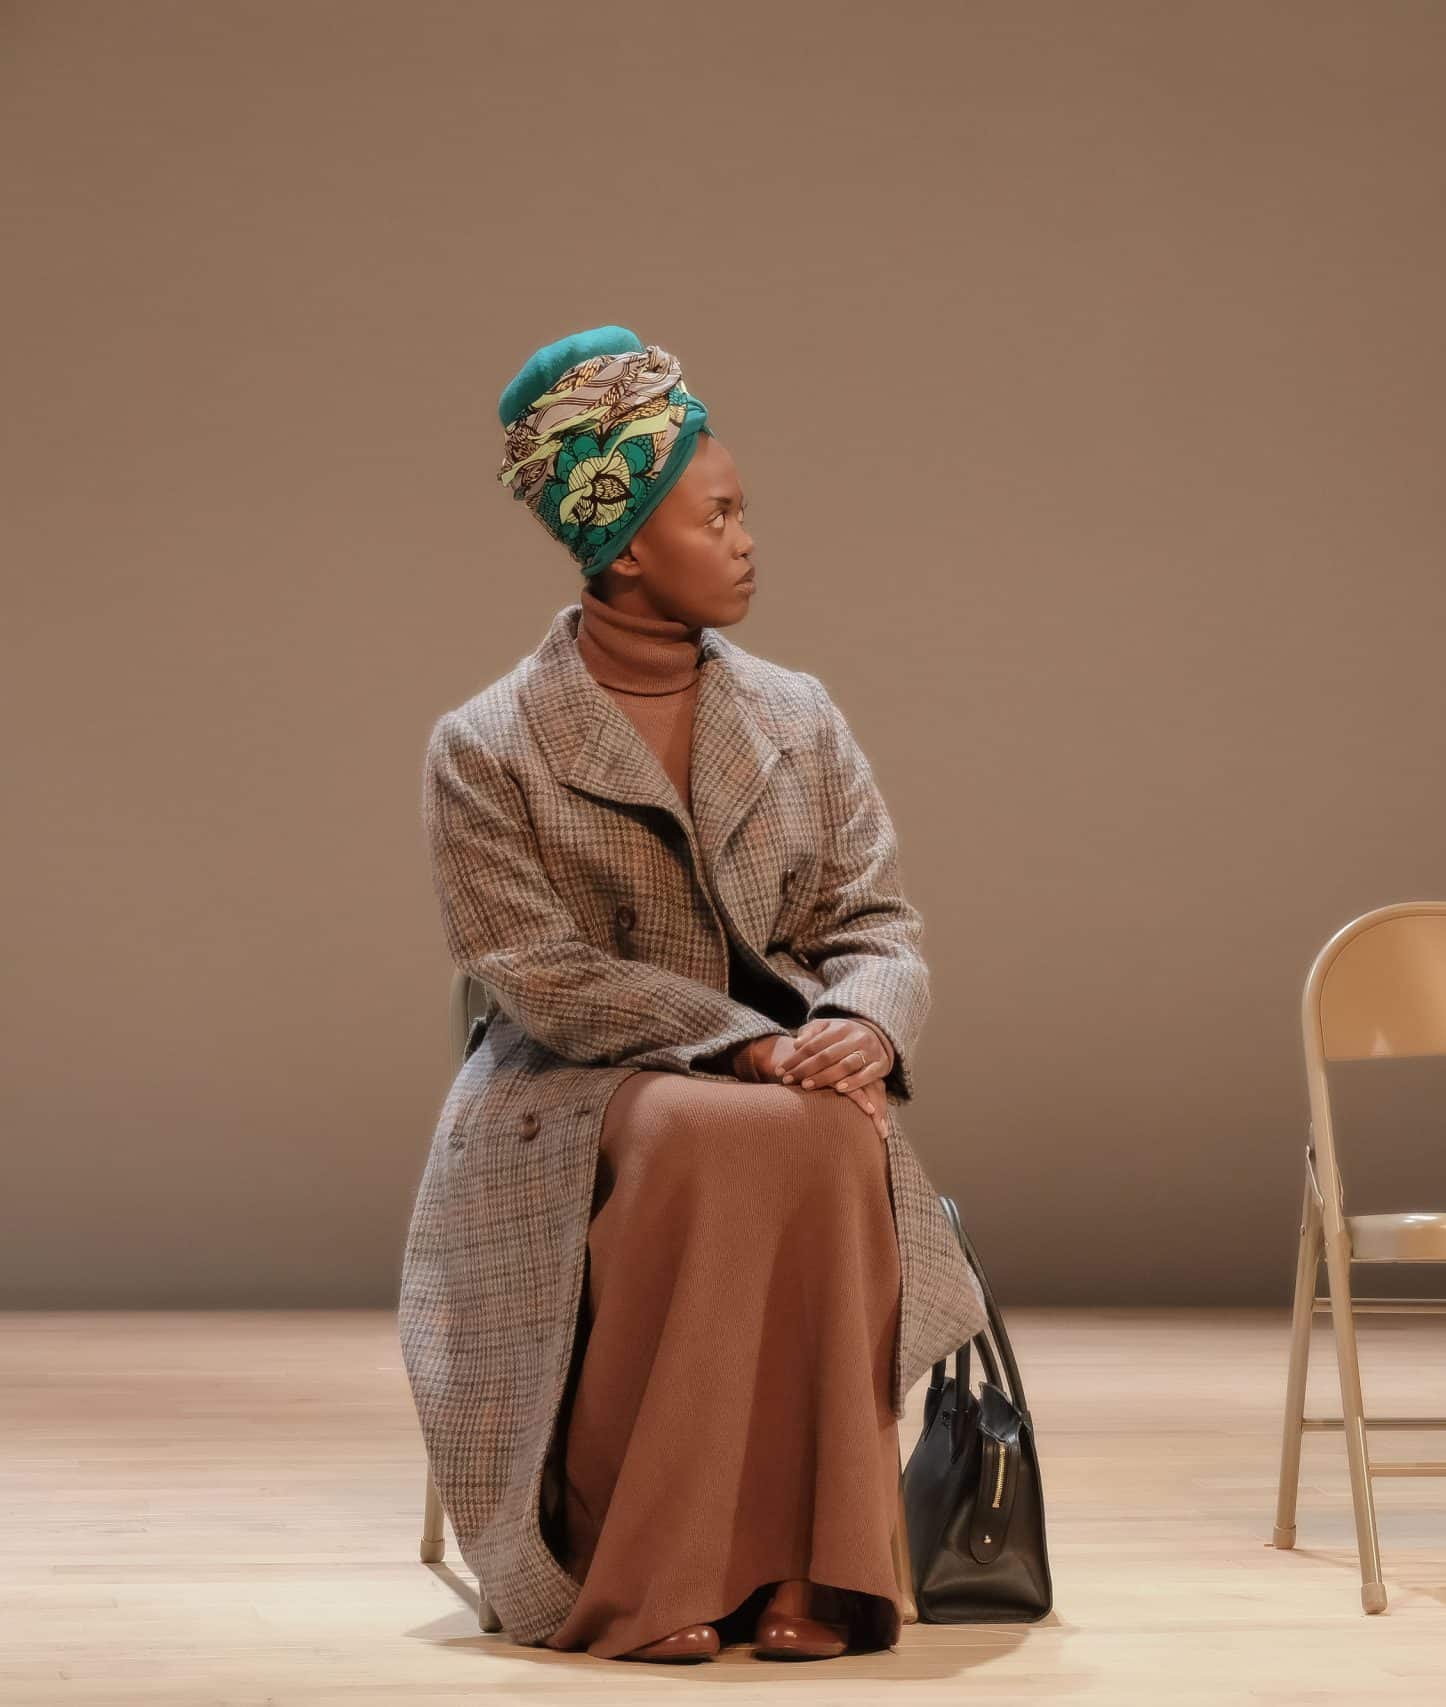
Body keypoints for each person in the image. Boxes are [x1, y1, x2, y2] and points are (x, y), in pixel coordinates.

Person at [398, 327, 986, 1661]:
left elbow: (876, 921)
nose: (745, 542)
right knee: (718, 1134)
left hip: (785, 1072)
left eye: (741, 511)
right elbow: (534, 970)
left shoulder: (798, 713)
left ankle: (807, 1572)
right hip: (568, 1085)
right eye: (713, 516)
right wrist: (740, 1047)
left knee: (827, 1130)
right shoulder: (485, 744)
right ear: (621, 546)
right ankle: (653, 1569)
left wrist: (862, 1022)